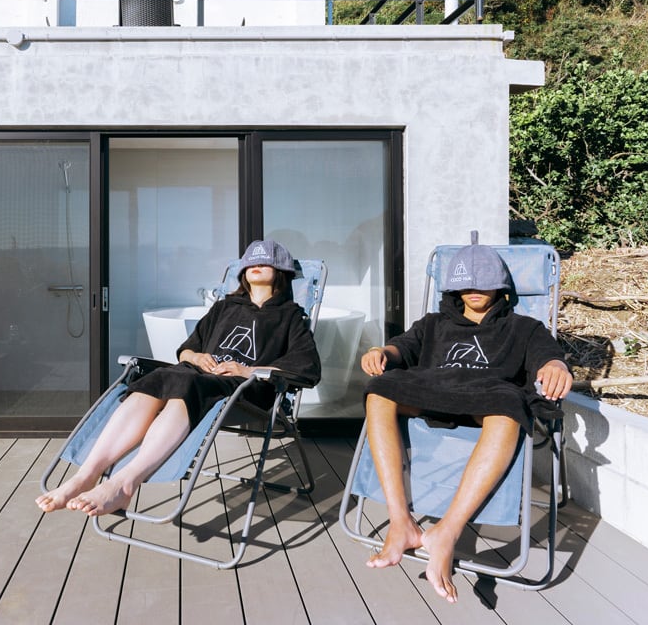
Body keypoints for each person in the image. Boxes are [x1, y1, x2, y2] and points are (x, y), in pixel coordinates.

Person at [36, 239, 320, 517]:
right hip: (199, 377)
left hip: (245, 390)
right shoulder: (224, 307)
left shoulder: (290, 317)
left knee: (187, 383)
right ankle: (85, 476)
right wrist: (197, 358)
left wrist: (246, 370)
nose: (256, 266)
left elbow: (306, 368)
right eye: (250, 263)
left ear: (281, 272)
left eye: (265, 262)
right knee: (158, 378)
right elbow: (187, 350)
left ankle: (125, 482)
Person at [359, 240, 572, 603]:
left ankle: (447, 531)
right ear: (454, 287)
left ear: (501, 286)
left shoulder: (523, 327)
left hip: (485, 399)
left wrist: (555, 367)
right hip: (432, 391)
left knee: (510, 405)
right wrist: (381, 352)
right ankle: (400, 521)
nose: (474, 289)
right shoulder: (434, 324)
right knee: (379, 389)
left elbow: (548, 356)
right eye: (466, 283)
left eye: (483, 282)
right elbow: (402, 348)